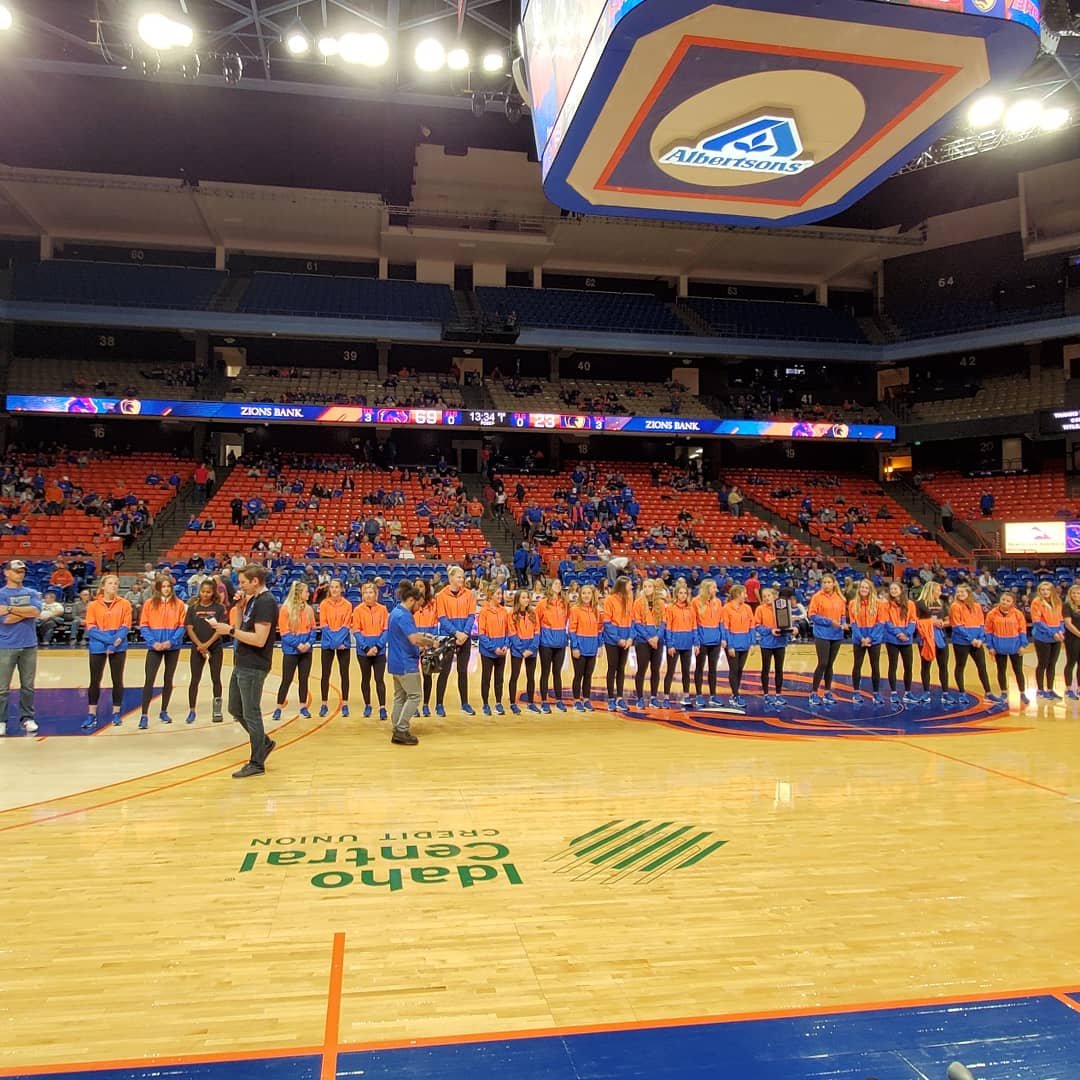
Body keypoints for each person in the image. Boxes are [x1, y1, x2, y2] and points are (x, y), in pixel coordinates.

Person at [220, 564, 280, 777]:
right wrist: (239, 608)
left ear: (255, 581)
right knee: (235, 708)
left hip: (254, 664)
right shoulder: (253, 600)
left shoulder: (266, 602)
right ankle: (264, 743)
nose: (241, 586)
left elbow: (259, 639)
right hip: (242, 661)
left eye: (243, 582)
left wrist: (229, 630)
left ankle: (257, 763)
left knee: (251, 712)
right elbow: (241, 629)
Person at [386, 582, 436, 746]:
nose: (419, 609)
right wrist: (431, 642)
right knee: (415, 696)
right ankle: (401, 729)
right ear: (412, 600)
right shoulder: (405, 615)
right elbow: (414, 639)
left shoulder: (395, 612)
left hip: (395, 662)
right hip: (406, 663)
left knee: (400, 697)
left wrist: (422, 638)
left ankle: (396, 727)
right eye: (419, 605)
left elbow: (406, 636)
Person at [82, 573, 132, 731]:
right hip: (98, 646)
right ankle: (91, 713)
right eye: (110, 583)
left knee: (117, 679)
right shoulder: (93, 605)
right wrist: (110, 640)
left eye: (116, 583)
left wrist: (117, 640)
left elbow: (126, 625)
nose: (114, 586)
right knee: (94, 680)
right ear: (103, 586)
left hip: (119, 646)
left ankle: (116, 712)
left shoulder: (125, 604)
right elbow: (91, 627)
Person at [137, 576, 187, 729]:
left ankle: (164, 711)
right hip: (155, 647)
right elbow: (144, 625)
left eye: (168, 586)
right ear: (158, 588)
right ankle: (144, 715)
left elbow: (182, 626)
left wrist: (171, 641)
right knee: (149, 679)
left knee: (168, 679)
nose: (166, 589)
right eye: (163, 586)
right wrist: (153, 642)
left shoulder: (179, 604)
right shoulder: (149, 603)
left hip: (172, 647)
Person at [434, 565, 477, 717]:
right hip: (448, 637)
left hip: (465, 637)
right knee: (444, 671)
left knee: (462, 671)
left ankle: (465, 704)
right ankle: (439, 704)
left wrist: (464, 633)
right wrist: (456, 633)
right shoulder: (441, 595)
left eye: (462, 577)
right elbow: (442, 617)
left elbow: (471, 615)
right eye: (459, 577)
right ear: (450, 578)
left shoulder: (469, 594)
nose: (462, 580)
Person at [185, 579, 228, 724]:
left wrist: (207, 644)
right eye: (203, 591)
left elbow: (220, 629)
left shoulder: (219, 608)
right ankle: (192, 710)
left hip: (215, 647)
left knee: (216, 678)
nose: (205, 594)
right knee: (194, 679)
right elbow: (189, 628)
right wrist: (200, 645)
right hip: (197, 647)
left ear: (213, 592)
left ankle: (217, 710)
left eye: (208, 592)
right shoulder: (193, 608)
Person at [272, 582, 316, 720]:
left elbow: (313, 629)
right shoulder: (285, 610)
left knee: (304, 679)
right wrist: (298, 644)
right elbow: (284, 633)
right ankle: (278, 707)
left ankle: (303, 707)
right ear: (298, 594)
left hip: (306, 651)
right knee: (287, 679)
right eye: (306, 592)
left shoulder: (309, 610)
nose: (308, 594)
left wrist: (308, 643)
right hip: (291, 651)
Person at [949, 583, 994, 705]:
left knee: (982, 666)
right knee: (960, 666)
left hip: (977, 642)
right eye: (958, 592)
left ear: (968, 593)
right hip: (961, 642)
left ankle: (988, 693)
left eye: (962, 592)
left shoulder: (977, 606)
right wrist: (971, 639)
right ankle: (961, 693)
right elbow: (957, 626)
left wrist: (981, 639)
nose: (960, 594)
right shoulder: (955, 606)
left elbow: (981, 624)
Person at [351, 582, 389, 719]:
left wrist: (377, 647)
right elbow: (356, 630)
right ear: (362, 595)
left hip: (379, 651)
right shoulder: (357, 610)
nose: (368, 595)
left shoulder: (383, 609)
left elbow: (386, 630)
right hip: (364, 652)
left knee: (379, 679)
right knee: (365, 678)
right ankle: (367, 705)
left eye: (371, 592)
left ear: (376, 594)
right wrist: (366, 648)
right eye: (365, 593)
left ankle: (382, 707)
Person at [808, 574, 846, 707]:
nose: (826, 584)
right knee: (823, 663)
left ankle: (827, 692)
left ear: (834, 583)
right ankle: (813, 693)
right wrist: (829, 622)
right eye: (824, 582)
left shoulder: (839, 598)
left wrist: (843, 623)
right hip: (822, 634)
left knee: (830, 664)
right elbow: (812, 615)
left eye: (829, 582)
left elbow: (843, 614)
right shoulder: (817, 597)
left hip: (837, 635)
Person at [317, 579, 354, 718]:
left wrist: (337, 641)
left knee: (344, 674)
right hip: (329, 643)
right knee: (325, 674)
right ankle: (324, 704)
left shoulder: (348, 605)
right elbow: (323, 624)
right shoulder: (324, 604)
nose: (334, 589)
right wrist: (334, 642)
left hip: (343, 643)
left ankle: (345, 704)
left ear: (341, 589)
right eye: (332, 587)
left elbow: (346, 625)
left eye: (336, 587)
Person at [985, 591, 1029, 705]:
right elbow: (988, 631)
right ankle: (1004, 692)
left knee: (1018, 670)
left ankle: (1022, 693)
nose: (1004, 602)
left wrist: (1023, 645)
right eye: (1003, 599)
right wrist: (990, 646)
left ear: (1012, 603)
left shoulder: (1018, 614)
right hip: (999, 647)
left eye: (1008, 601)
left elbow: (1023, 630)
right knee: (1001, 670)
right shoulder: (991, 614)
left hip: (1015, 647)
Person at [848, 578, 885, 705]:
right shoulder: (853, 603)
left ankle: (876, 693)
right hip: (859, 639)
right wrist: (861, 638)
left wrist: (870, 638)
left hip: (874, 639)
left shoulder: (879, 603)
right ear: (859, 589)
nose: (864, 589)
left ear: (870, 589)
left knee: (875, 666)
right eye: (862, 587)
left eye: (866, 587)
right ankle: (856, 692)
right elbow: (853, 623)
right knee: (857, 665)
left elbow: (880, 623)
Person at [914, 581, 951, 706]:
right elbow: (915, 621)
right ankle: (926, 692)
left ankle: (945, 693)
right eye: (938, 590)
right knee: (926, 666)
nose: (940, 592)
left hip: (941, 636)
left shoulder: (942, 603)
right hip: (925, 637)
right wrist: (931, 622)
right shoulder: (919, 603)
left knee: (943, 666)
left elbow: (948, 620)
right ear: (931, 590)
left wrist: (943, 623)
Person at [755, 587, 792, 709]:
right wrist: (770, 630)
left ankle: (778, 694)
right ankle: (766, 694)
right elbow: (757, 625)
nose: (766, 598)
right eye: (764, 596)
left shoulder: (782, 607)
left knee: (779, 669)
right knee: (765, 668)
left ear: (775, 596)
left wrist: (792, 629)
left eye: (768, 595)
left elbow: (788, 622)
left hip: (780, 642)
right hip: (766, 643)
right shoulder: (760, 609)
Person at [535, 578, 569, 713]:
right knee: (545, 672)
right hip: (546, 643)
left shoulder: (565, 603)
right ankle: (544, 701)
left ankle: (559, 700)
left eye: (560, 584)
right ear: (550, 586)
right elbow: (536, 621)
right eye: (555, 583)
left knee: (557, 672)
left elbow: (567, 620)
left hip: (560, 643)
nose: (558, 585)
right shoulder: (542, 604)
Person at [662, 579, 696, 708]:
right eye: (680, 593)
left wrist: (696, 642)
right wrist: (670, 644)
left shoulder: (691, 609)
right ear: (676, 594)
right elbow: (668, 628)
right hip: (674, 644)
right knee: (670, 671)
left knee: (686, 671)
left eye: (685, 593)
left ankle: (686, 696)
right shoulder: (671, 608)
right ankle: (666, 697)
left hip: (687, 644)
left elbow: (694, 626)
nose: (683, 595)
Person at [632, 576, 665, 709]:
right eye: (645, 587)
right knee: (642, 669)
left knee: (655, 670)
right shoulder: (638, 603)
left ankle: (653, 697)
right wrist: (649, 638)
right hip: (643, 641)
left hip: (658, 641)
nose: (647, 589)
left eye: (649, 586)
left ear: (654, 588)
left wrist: (657, 637)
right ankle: (640, 698)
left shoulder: (661, 603)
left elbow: (663, 623)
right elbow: (637, 623)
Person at [477, 583, 510, 715]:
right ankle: (485, 704)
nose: (500, 596)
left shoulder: (504, 611)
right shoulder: (484, 612)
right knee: (486, 678)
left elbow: (508, 631)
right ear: (491, 595)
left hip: (501, 651)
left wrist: (506, 645)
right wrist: (493, 648)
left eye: (501, 594)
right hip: (488, 652)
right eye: (498, 594)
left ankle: (498, 702)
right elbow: (481, 634)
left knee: (499, 678)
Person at [602, 575, 634, 710]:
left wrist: (630, 638)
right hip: (612, 640)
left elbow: (633, 620)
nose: (632, 586)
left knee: (621, 668)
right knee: (612, 667)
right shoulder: (609, 599)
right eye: (630, 584)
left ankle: (620, 698)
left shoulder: (630, 599)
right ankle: (611, 698)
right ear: (623, 586)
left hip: (626, 639)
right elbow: (607, 622)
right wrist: (618, 639)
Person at [568, 583, 601, 711]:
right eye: (584, 593)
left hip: (592, 647)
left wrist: (600, 645)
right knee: (578, 675)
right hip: (580, 648)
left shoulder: (596, 610)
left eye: (589, 593)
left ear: (592, 595)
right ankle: (576, 700)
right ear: (580, 595)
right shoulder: (575, 610)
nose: (586, 596)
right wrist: (575, 647)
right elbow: (572, 629)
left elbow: (599, 629)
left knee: (588, 675)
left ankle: (586, 699)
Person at [1029, 579, 1065, 699]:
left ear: (1052, 591)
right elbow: (1037, 621)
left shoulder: (1057, 601)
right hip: (1042, 637)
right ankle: (1040, 690)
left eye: (1047, 589)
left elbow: (1061, 619)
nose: (1045, 592)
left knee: (1052, 664)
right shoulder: (1036, 602)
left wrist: (1061, 631)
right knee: (1043, 663)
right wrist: (1052, 633)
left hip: (1056, 637)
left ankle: (1050, 689)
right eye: (1042, 590)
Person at [884, 581, 918, 706]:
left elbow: (913, 620)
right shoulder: (886, 605)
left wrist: (907, 633)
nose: (893, 591)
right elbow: (886, 622)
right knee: (892, 666)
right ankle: (893, 693)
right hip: (892, 639)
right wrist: (898, 633)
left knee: (908, 667)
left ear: (901, 590)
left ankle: (908, 693)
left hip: (907, 639)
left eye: (895, 589)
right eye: (891, 589)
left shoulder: (910, 604)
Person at [721, 584, 754, 708]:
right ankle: (735, 695)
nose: (746, 595)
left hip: (744, 643)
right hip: (733, 643)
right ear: (737, 594)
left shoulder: (748, 608)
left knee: (740, 669)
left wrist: (752, 643)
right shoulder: (726, 608)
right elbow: (726, 628)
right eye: (744, 593)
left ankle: (735, 694)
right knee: (734, 669)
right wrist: (730, 646)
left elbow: (751, 626)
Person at [507, 589, 540, 714]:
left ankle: (531, 703)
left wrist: (531, 649)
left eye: (527, 597)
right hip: (517, 649)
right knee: (514, 676)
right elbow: (512, 633)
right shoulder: (511, 615)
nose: (526, 600)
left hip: (531, 649)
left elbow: (537, 632)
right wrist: (522, 649)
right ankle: (513, 703)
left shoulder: (533, 613)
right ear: (518, 600)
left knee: (531, 677)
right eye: (523, 597)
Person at [693, 578, 724, 706]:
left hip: (715, 641)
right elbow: (693, 623)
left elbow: (721, 622)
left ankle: (713, 695)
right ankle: (699, 695)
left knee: (713, 669)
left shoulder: (718, 602)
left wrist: (722, 638)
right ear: (707, 589)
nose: (716, 589)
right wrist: (696, 642)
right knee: (699, 668)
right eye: (713, 587)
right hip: (702, 641)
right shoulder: (696, 602)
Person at [412, 578, 439, 717]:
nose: (418, 588)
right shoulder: (410, 604)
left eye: (421, 586)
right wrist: (417, 644)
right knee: (413, 677)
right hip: (413, 646)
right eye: (416, 586)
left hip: (428, 646)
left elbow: (435, 626)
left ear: (426, 588)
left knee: (427, 676)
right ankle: (413, 705)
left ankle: (426, 705)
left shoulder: (433, 605)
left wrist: (427, 644)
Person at [1063, 583, 1080, 700]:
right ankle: (1068, 689)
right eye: (1073, 593)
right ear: (1070, 594)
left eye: (1078, 593)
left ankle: (1079, 687)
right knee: (1071, 663)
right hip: (1072, 638)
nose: (1076, 595)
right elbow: (1068, 624)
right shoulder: (1067, 606)